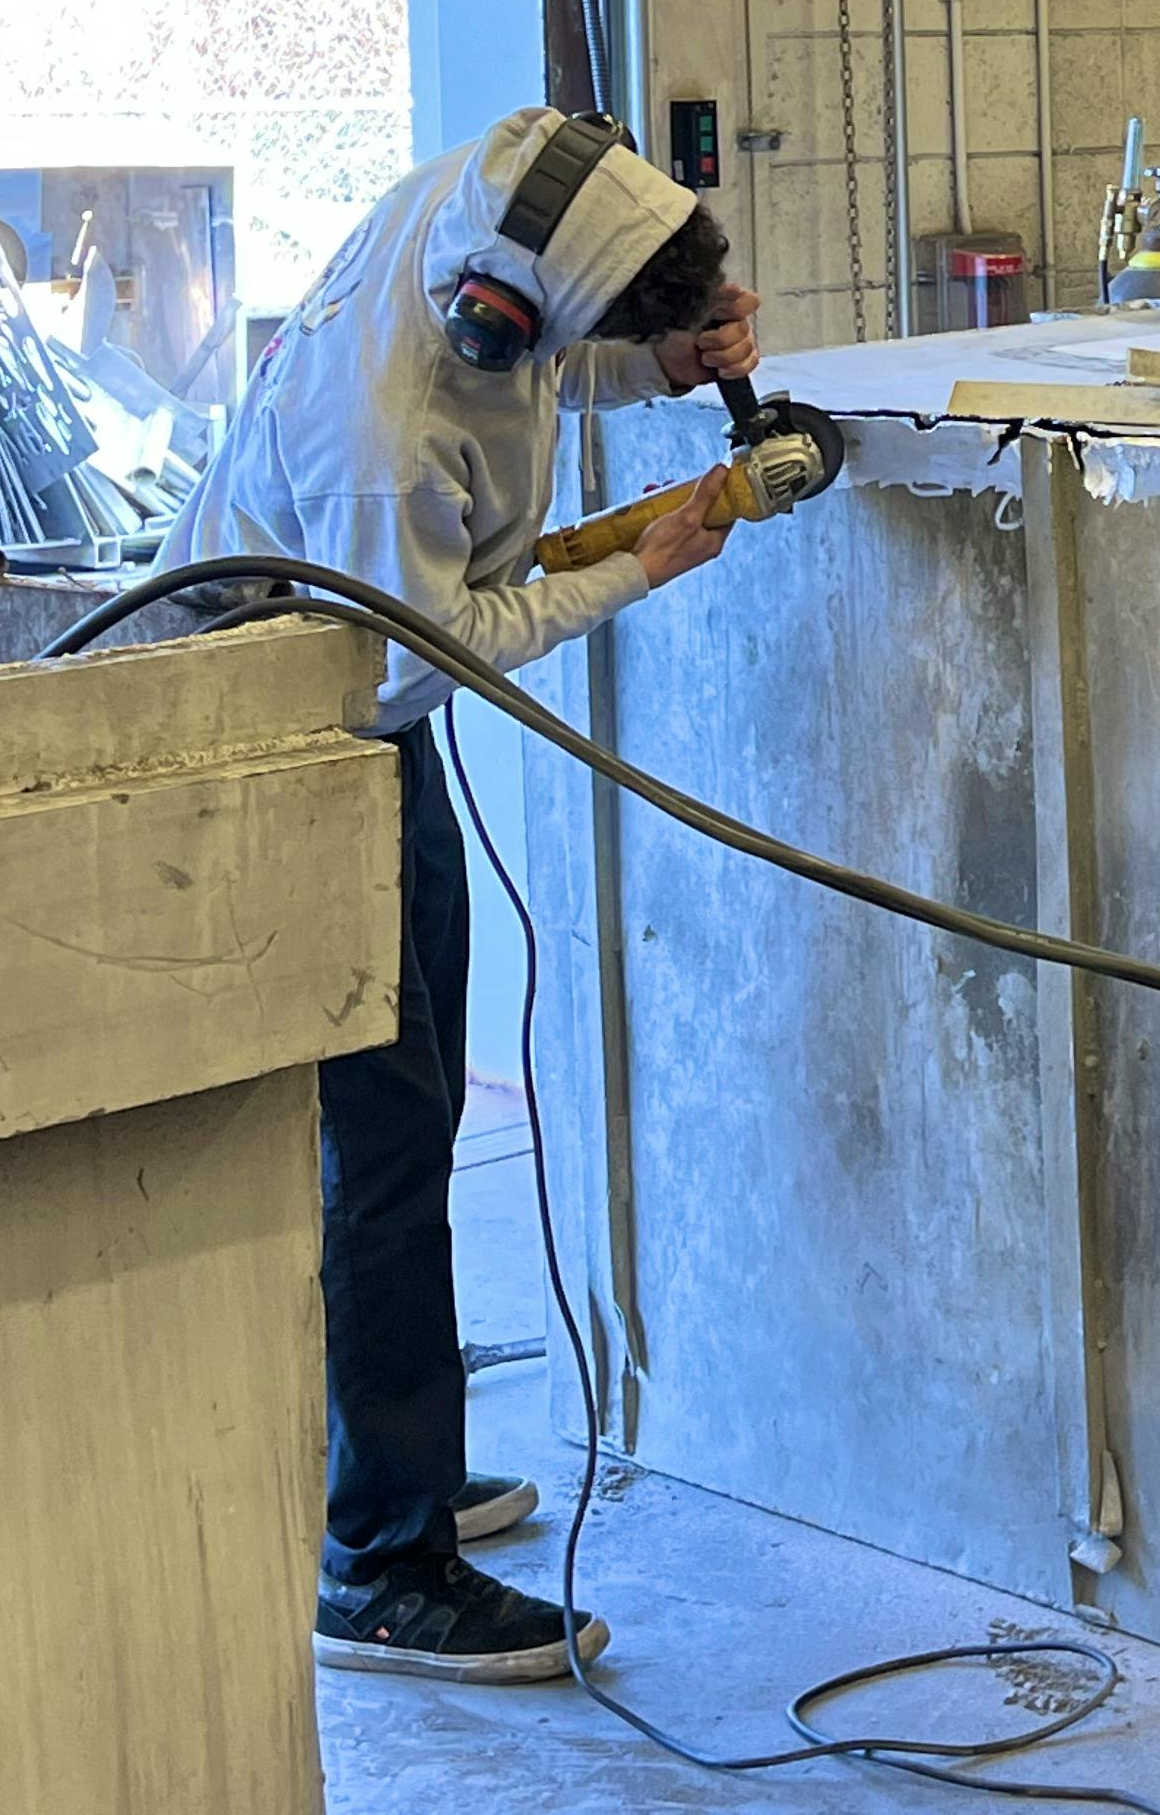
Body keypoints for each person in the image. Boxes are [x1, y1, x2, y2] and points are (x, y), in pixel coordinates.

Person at [160, 106, 758, 1684]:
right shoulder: (393, 431)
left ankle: (389, 1465)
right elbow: (438, 648)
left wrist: (668, 358)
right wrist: (641, 568)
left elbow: (553, 356)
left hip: (355, 700)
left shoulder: (500, 204)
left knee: (404, 1115)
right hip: (297, 716)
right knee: (387, 1135)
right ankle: (383, 1564)